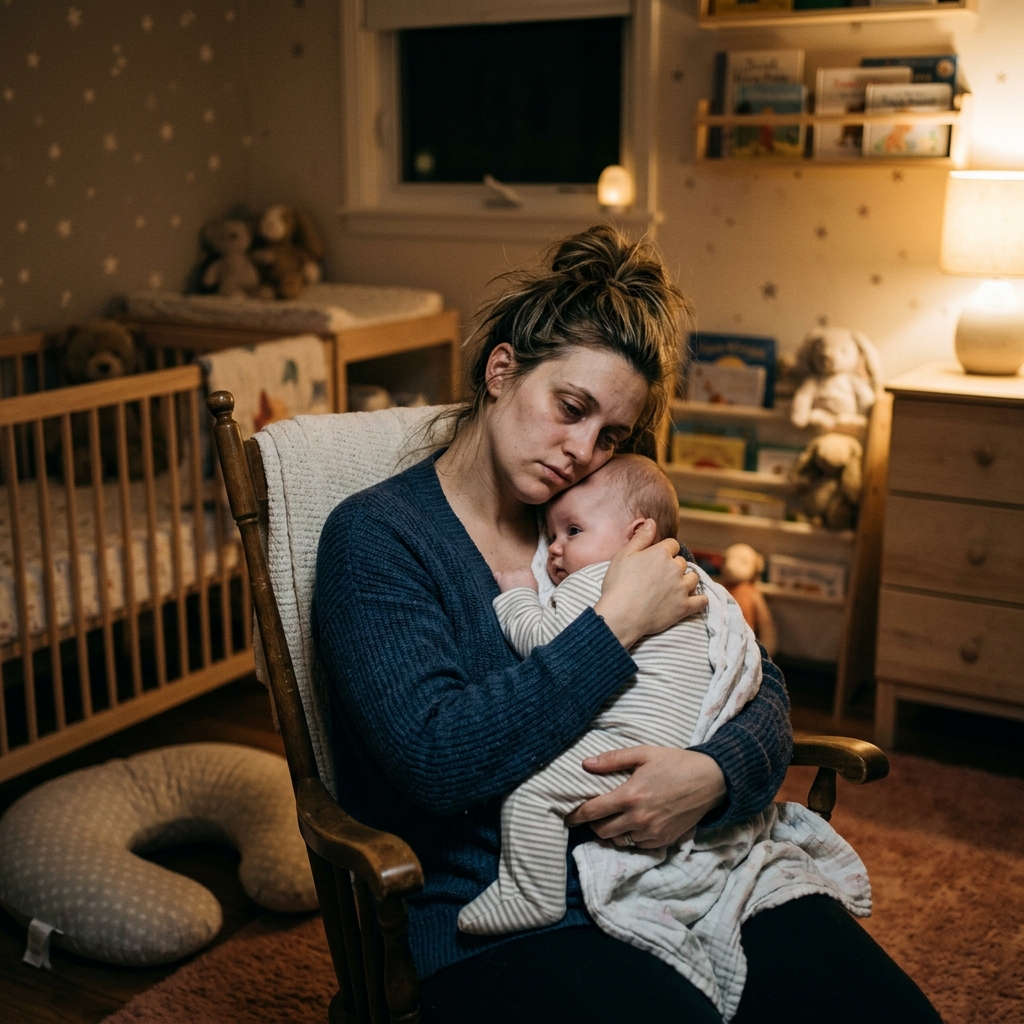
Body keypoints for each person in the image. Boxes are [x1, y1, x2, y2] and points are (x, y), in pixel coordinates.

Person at [312, 225, 940, 1023]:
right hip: (496, 911)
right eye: (570, 408)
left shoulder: (597, 519)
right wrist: (610, 628)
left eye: (609, 433)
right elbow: (438, 762)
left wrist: (709, 778)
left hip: (691, 869)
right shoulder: (379, 539)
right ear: (501, 371)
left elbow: (752, 677)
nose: (582, 451)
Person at [458, 453, 761, 938]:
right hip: (681, 743)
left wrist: (518, 592)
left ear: (636, 534)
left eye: (572, 531)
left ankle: (531, 897)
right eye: (551, 534)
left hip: (627, 740)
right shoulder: (689, 582)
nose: (554, 550)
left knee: (532, 796)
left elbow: (545, 644)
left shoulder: (598, 581)